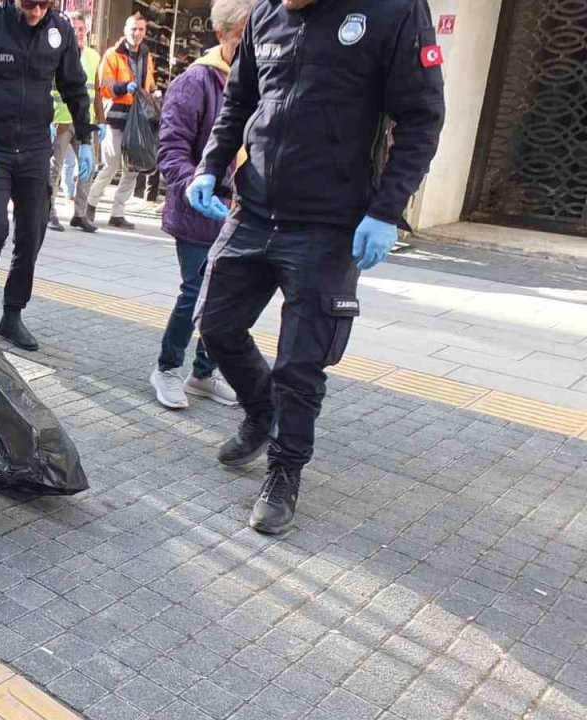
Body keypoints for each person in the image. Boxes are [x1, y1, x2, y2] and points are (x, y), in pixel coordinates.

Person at [187, 0, 445, 534]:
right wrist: (211, 167)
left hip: (330, 222)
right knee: (215, 323)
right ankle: (261, 411)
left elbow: (421, 118)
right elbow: (240, 102)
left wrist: (385, 210)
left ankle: (284, 472)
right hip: (255, 209)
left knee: (300, 363)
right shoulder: (264, 16)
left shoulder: (394, 12)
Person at [0, 0, 95, 352]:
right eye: (29, 4)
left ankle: (13, 313)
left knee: (31, 234)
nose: (36, 11)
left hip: (35, 148)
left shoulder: (61, 30)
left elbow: (74, 86)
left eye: (43, 4)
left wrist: (86, 139)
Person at [148, 0, 252, 411]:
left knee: (225, 297)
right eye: (244, 35)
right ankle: (167, 368)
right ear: (222, 34)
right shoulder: (196, 81)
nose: (252, 45)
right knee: (195, 291)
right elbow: (171, 148)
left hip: (244, 211)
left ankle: (204, 373)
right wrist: (196, 185)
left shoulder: (262, 79)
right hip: (199, 210)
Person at [85, 13, 156, 231]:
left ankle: (117, 213)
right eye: (134, 29)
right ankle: (90, 204)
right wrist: (124, 87)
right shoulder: (112, 55)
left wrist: (151, 94)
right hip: (115, 118)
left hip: (137, 121)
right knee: (111, 165)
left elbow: (149, 84)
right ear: (125, 31)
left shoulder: (146, 56)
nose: (137, 33)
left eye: (141, 29)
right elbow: (104, 85)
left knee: (132, 168)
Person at [49, 11, 100, 233]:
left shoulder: (93, 57)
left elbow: (97, 91)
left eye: (81, 29)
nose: (78, 33)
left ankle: (80, 214)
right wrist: (48, 119)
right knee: (54, 170)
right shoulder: (53, 52)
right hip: (59, 119)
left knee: (89, 167)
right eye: (74, 28)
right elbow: (46, 88)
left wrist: (101, 121)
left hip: (83, 122)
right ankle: (49, 211)